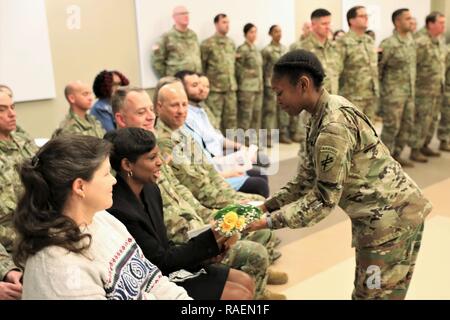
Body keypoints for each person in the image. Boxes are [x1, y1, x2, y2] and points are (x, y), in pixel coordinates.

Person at [247, 49, 432, 300]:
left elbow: (323, 200)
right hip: (380, 219)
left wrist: (268, 222)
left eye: (279, 92)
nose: (277, 100)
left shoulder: (332, 127)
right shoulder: (322, 112)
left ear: (303, 84)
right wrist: (266, 207)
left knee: (374, 295)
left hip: (391, 222)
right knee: (371, 292)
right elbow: (305, 179)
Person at [111, 86, 286, 300]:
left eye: (150, 110)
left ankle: (258, 283)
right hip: (172, 250)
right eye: (141, 112)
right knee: (249, 258)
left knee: (254, 214)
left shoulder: (150, 166)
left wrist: (208, 222)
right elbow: (160, 250)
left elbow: (184, 191)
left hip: (185, 235)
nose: (150, 116)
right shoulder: (127, 171)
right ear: (120, 118)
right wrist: (208, 238)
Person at [13, 134, 191, 300]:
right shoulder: (57, 268)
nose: (114, 180)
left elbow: (154, 282)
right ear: (80, 187)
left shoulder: (102, 218)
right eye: (106, 174)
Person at [106, 127, 255, 300]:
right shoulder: (119, 209)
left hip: (167, 267)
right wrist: (211, 238)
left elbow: (163, 244)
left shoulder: (151, 190)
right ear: (127, 165)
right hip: (151, 281)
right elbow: (158, 262)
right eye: (152, 158)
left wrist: (209, 253)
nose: (160, 162)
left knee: (245, 281)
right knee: (239, 295)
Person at [176, 70, 269, 197]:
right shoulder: (184, 122)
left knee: (261, 171)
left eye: (203, 85)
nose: (202, 89)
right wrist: (227, 172)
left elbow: (217, 139)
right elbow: (195, 172)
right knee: (259, 183)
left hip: (217, 164)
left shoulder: (200, 110)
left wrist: (241, 148)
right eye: (195, 86)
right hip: (212, 174)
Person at [0, 90, 38, 253]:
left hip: (43, 232)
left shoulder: (24, 141)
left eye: (13, 107)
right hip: (14, 249)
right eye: (2, 110)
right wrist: (6, 267)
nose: (12, 114)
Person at [379, 9, 416, 167]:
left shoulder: (411, 40)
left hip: (409, 92)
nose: (411, 20)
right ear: (397, 22)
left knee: (406, 124)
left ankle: (397, 154)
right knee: (391, 127)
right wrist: (383, 93)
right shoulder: (388, 44)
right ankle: (383, 161)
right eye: (407, 18)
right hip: (393, 94)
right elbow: (379, 69)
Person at [411, 12, 447, 161]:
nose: (443, 26)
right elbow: (413, 66)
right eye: (441, 23)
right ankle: (415, 149)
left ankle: (425, 144)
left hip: (437, 87)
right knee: (421, 120)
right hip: (423, 89)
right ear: (430, 24)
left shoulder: (439, 40)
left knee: (432, 119)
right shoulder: (420, 41)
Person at [337, 6, 379, 122]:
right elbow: (336, 70)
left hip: (371, 94)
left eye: (367, 16)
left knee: (369, 132)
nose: (366, 18)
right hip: (352, 96)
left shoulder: (369, 40)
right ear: (351, 20)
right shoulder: (343, 42)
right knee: (353, 131)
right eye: (362, 16)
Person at [201, 14, 238, 133]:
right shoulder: (207, 44)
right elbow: (202, 67)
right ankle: (216, 149)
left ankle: (232, 148)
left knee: (232, 120)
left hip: (230, 88)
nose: (227, 25)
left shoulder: (231, 43)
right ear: (216, 24)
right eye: (224, 22)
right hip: (215, 90)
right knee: (214, 121)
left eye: (228, 22)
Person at [151, 5, 202, 78]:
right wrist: (168, 79)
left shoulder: (193, 35)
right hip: (178, 81)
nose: (186, 16)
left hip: (195, 80)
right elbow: (157, 61)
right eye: (182, 14)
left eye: (187, 13)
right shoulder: (166, 37)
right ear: (174, 17)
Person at [261, 25, 290, 144]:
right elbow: (262, 68)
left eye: (280, 31)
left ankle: (283, 134)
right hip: (271, 85)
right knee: (270, 111)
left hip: (284, 85)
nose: (279, 33)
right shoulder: (266, 50)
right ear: (270, 34)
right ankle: (268, 137)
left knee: (284, 110)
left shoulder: (285, 49)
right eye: (276, 31)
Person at [236, 23, 264, 132]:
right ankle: (243, 142)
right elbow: (238, 69)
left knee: (256, 116)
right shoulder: (242, 49)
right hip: (247, 88)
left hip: (258, 87)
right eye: (251, 32)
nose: (254, 34)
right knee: (245, 116)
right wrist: (249, 73)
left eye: (255, 32)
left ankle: (254, 141)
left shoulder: (256, 49)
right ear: (245, 34)